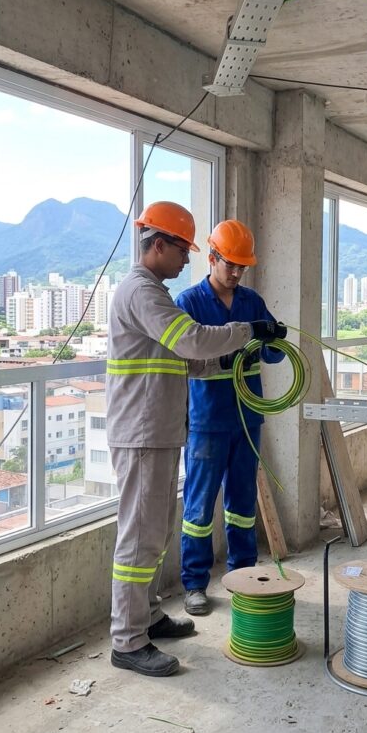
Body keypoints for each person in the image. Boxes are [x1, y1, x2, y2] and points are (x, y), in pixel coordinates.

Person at [106, 201, 286, 677]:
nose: (187, 258)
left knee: (156, 531)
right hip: (144, 432)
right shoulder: (143, 292)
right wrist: (248, 331)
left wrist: (226, 361)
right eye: (183, 249)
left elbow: (185, 360)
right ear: (158, 244)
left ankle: (145, 616)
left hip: (160, 430)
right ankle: (127, 640)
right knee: (141, 539)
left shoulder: (154, 292)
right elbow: (191, 341)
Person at [175, 219, 286, 615]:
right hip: (207, 421)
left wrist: (274, 338)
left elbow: (271, 355)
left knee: (241, 503)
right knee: (199, 508)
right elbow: (184, 361)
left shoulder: (251, 301)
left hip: (247, 418)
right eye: (230, 264)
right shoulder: (188, 303)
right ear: (212, 257)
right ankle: (194, 584)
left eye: (243, 266)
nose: (237, 273)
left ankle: (243, 575)